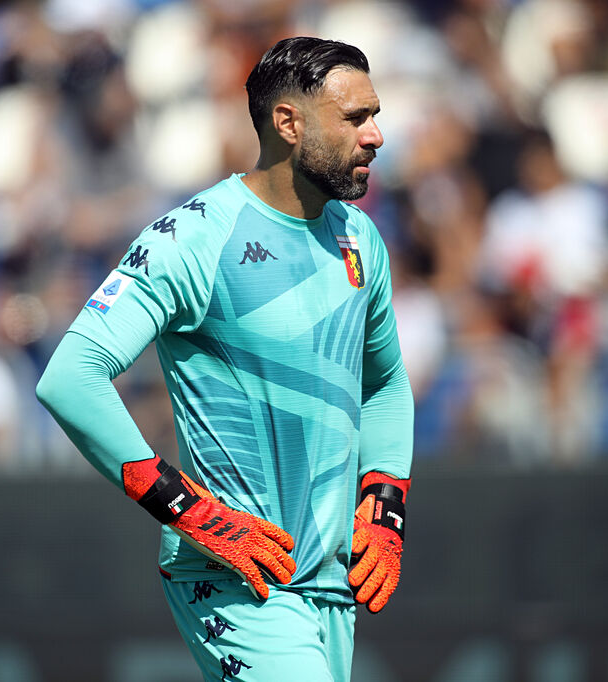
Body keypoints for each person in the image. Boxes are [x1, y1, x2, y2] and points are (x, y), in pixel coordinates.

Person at [37, 36, 413, 682]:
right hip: (239, 580)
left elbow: (386, 385)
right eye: (355, 118)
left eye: (374, 115)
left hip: (330, 587)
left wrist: (383, 505)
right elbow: (71, 376)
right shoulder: (194, 238)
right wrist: (185, 508)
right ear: (288, 123)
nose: (376, 135)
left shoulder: (361, 240)